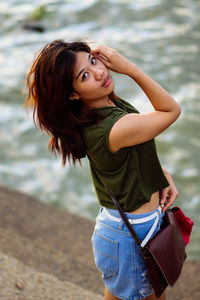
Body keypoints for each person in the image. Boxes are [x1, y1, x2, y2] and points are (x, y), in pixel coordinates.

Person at [25, 40, 181, 300]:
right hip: (129, 234)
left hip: (131, 228)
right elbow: (171, 110)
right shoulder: (111, 127)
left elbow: (129, 155)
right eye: (84, 75)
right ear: (72, 94)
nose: (99, 73)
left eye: (94, 61)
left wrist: (160, 174)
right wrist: (130, 68)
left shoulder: (102, 109)